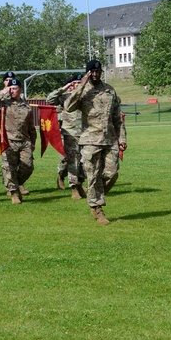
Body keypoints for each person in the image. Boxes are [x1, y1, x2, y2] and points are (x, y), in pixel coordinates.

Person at [65, 59, 126, 225]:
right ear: (88, 73)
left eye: (98, 71)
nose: (95, 74)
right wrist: (80, 86)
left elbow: (117, 117)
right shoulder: (83, 91)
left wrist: (122, 138)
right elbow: (68, 106)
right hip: (90, 140)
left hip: (109, 139)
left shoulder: (109, 91)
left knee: (112, 173)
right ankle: (97, 209)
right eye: (92, 71)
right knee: (93, 176)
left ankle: (95, 196)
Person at [0, 78, 36, 204]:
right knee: (10, 168)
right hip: (8, 141)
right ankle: (14, 193)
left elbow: (31, 127)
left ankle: (17, 184)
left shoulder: (27, 107)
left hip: (24, 141)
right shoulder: (4, 103)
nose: (12, 91)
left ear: (20, 90)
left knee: (28, 166)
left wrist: (33, 142)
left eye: (14, 88)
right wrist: (3, 91)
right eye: (10, 88)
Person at [47, 74, 85, 199]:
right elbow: (49, 100)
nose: (77, 85)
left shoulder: (87, 96)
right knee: (72, 161)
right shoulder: (65, 97)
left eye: (80, 82)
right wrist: (63, 89)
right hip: (70, 134)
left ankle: (80, 184)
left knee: (85, 161)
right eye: (74, 83)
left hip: (87, 133)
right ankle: (74, 188)